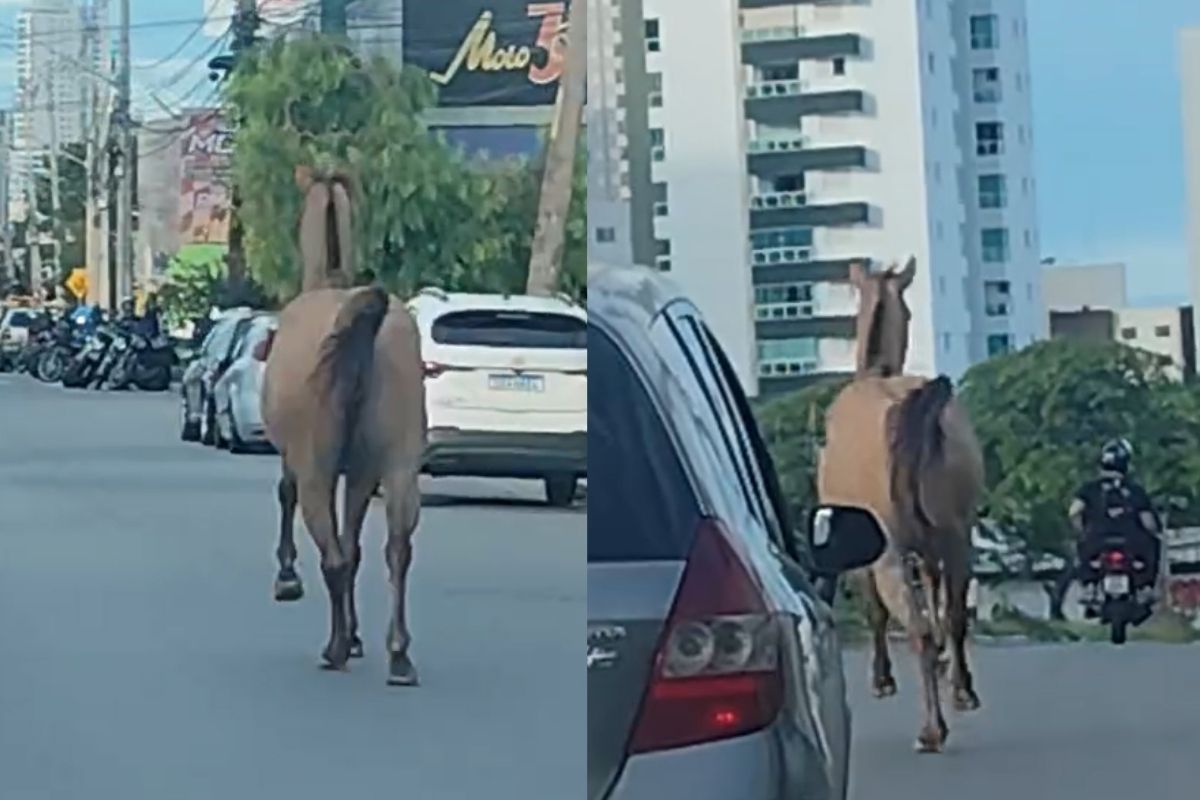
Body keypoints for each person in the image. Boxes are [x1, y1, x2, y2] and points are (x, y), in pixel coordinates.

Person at [1068, 439, 1161, 614]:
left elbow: (1074, 512)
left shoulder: (1089, 489)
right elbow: (1148, 522)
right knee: (1153, 547)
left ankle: (1089, 586)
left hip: (1096, 539)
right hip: (1133, 541)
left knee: (1082, 554)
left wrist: (1081, 532)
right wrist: (1155, 533)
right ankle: (1145, 587)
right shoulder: (1134, 491)